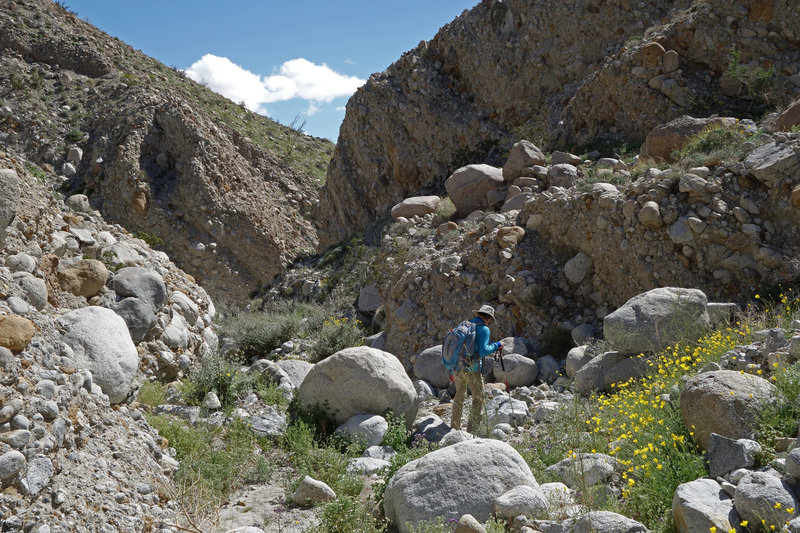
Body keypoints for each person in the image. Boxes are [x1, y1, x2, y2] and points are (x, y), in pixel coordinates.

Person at [450, 304, 504, 433]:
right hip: (472, 368)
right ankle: (471, 431)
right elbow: (484, 350)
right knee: (478, 397)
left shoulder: (464, 325)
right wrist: (497, 345)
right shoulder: (484, 329)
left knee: (459, 396)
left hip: (457, 366)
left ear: (478, 314)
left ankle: (454, 429)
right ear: (489, 318)